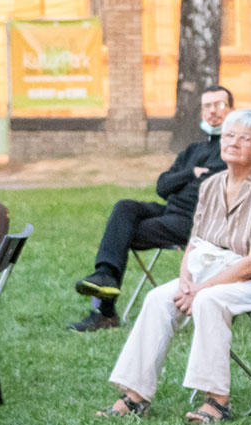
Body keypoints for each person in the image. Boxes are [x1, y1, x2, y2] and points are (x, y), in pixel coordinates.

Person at [99, 108, 251, 422]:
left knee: (208, 300)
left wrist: (200, 289)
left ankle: (217, 402)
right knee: (158, 298)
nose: (233, 142)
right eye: (228, 135)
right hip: (211, 275)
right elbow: (194, 242)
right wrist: (186, 282)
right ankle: (134, 396)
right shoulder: (211, 185)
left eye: (244, 138)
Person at [68, 85, 233, 331]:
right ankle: (104, 275)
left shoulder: (233, 149)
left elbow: (208, 187)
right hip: (170, 211)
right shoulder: (193, 150)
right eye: (207, 106)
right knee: (124, 207)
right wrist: (191, 172)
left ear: (231, 110)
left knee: (120, 233)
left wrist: (184, 180)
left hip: (196, 222)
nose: (213, 111)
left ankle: (105, 312)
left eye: (219, 105)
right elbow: (162, 186)